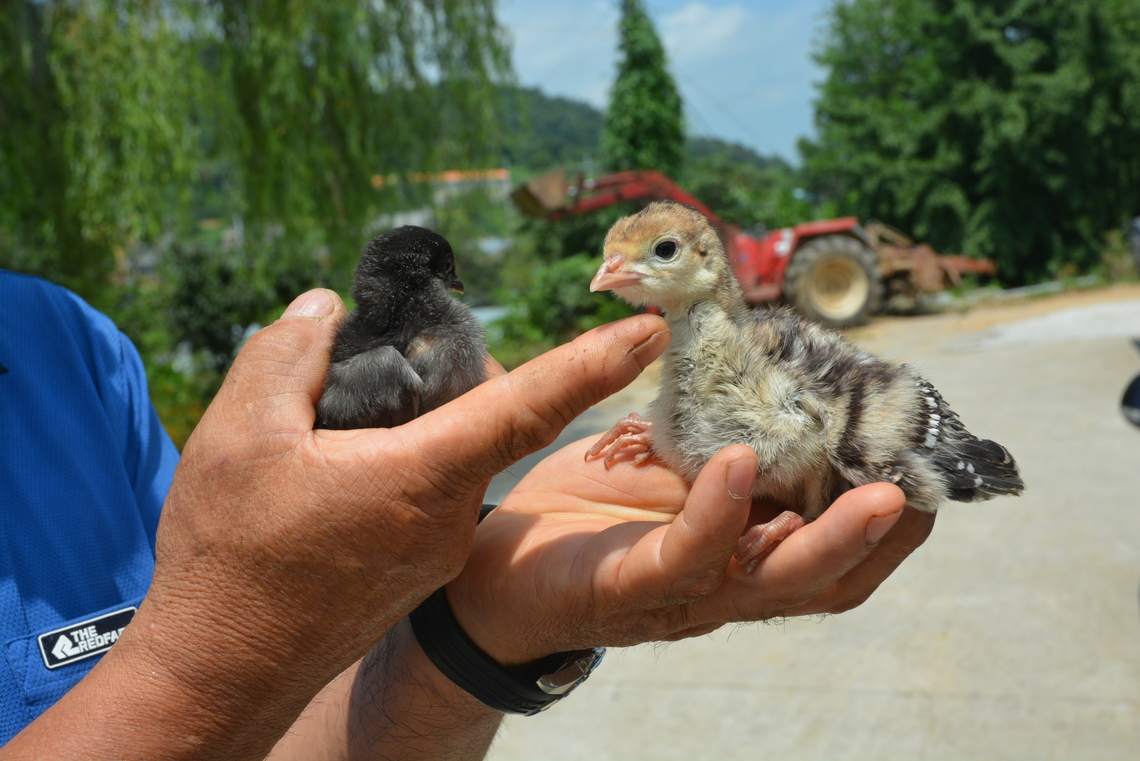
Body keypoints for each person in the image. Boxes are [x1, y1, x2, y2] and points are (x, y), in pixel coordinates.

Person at [0, 274, 934, 760]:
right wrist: (219, 653)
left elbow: (245, 744)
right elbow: (215, 689)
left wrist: (476, 626)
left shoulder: (64, 347)